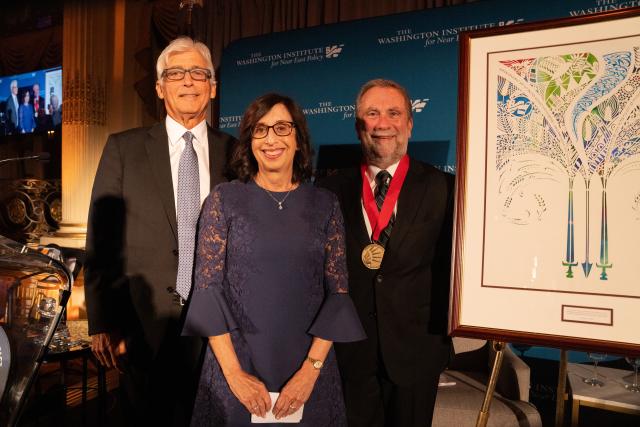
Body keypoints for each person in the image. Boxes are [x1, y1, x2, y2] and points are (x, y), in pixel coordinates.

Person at [182, 93, 365, 426]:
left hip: (308, 366)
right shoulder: (224, 200)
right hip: (234, 363)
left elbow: (337, 293)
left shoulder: (325, 204)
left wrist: (310, 371)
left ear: (298, 138)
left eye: (282, 127)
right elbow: (208, 290)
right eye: (260, 129)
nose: (271, 139)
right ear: (250, 141)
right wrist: (234, 373)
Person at [84, 36, 236, 426]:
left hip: (220, 326)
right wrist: (102, 322)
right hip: (141, 322)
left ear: (213, 87)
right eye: (175, 73)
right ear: (159, 87)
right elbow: (102, 239)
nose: (188, 81)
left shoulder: (237, 153)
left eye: (198, 73)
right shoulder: (123, 148)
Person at [320, 79, 454, 426]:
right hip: (349, 352)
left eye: (394, 113)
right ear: (357, 126)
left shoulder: (445, 188)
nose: (383, 124)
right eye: (372, 114)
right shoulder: (328, 191)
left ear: (409, 123)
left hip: (415, 353)